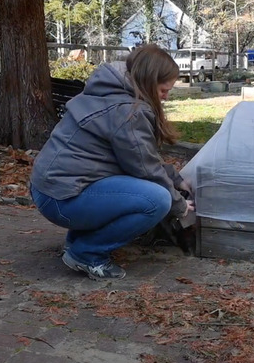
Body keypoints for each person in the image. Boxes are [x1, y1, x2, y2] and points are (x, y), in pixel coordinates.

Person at [30, 44, 195, 280]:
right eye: (163, 90)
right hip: (61, 199)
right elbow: (145, 169)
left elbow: (141, 155)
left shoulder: (109, 90)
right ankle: (87, 254)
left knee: (141, 189)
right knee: (157, 199)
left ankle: (77, 243)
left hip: (49, 190)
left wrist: (176, 179)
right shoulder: (128, 111)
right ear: (148, 81)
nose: (166, 97)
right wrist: (179, 205)